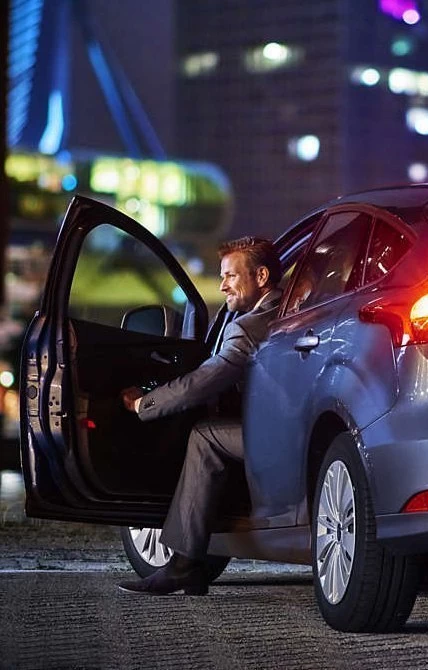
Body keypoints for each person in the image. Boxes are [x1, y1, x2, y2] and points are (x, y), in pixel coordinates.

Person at [117, 236, 283, 596]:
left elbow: (205, 381)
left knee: (204, 436)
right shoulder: (285, 308)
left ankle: (183, 566)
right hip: (296, 430)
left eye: (231, 276)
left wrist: (145, 404)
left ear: (261, 276)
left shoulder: (251, 325)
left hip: (284, 440)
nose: (222, 286)